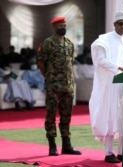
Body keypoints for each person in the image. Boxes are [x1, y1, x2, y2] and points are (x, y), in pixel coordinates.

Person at [89, 11, 123, 163]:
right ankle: (108, 153)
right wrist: (120, 68)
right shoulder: (104, 40)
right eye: (120, 24)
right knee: (111, 118)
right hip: (111, 85)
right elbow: (100, 60)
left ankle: (122, 152)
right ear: (114, 24)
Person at [37, 16, 81, 156]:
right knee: (51, 116)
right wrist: (49, 78)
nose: (63, 27)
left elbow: (70, 64)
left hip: (67, 86)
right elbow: (41, 63)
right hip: (53, 86)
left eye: (64, 25)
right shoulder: (48, 43)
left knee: (66, 116)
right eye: (60, 25)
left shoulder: (69, 44)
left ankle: (66, 145)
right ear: (54, 27)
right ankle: (52, 145)